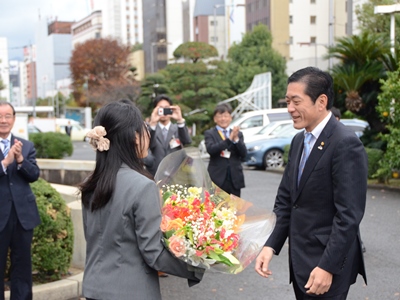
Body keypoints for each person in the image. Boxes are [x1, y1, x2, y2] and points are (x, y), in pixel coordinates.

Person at [255, 67, 368, 299]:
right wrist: (270, 245)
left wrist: (328, 266)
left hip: (327, 264)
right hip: (301, 260)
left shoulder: (345, 143)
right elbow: (286, 201)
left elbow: (349, 215)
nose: (289, 109)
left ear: (321, 101)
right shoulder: (299, 141)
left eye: (296, 101)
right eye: (287, 101)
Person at [79, 101, 203, 300]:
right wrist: (200, 261)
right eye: (145, 128)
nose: (148, 134)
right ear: (135, 137)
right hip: (132, 292)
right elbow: (153, 253)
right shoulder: (142, 186)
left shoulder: (90, 184)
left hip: (94, 289)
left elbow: (95, 238)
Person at [0, 101, 41, 300]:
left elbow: (34, 175)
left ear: (14, 119)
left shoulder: (26, 146)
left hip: (23, 216)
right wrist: (5, 163)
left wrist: (20, 161)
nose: (3, 120)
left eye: (8, 116)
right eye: (0, 116)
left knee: (22, 267)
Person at [204, 103, 247, 197]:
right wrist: (229, 140)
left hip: (234, 178)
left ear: (230, 118)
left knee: (235, 209)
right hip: (217, 178)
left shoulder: (238, 134)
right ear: (215, 119)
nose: (223, 119)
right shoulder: (210, 133)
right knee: (216, 208)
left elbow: (243, 154)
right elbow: (211, 149)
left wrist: (236, 140)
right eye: (219, 116)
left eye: (225, 116)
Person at [146, 94, 191, 176]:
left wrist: (180, 120)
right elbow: (148, 145)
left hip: (175, 173)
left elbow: (187, 141)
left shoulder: (178, 128)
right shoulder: (151, 129)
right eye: (160, 108)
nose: (164, 111)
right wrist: (152, 123)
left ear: (171, 108)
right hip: (155, 173)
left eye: (166, 108)